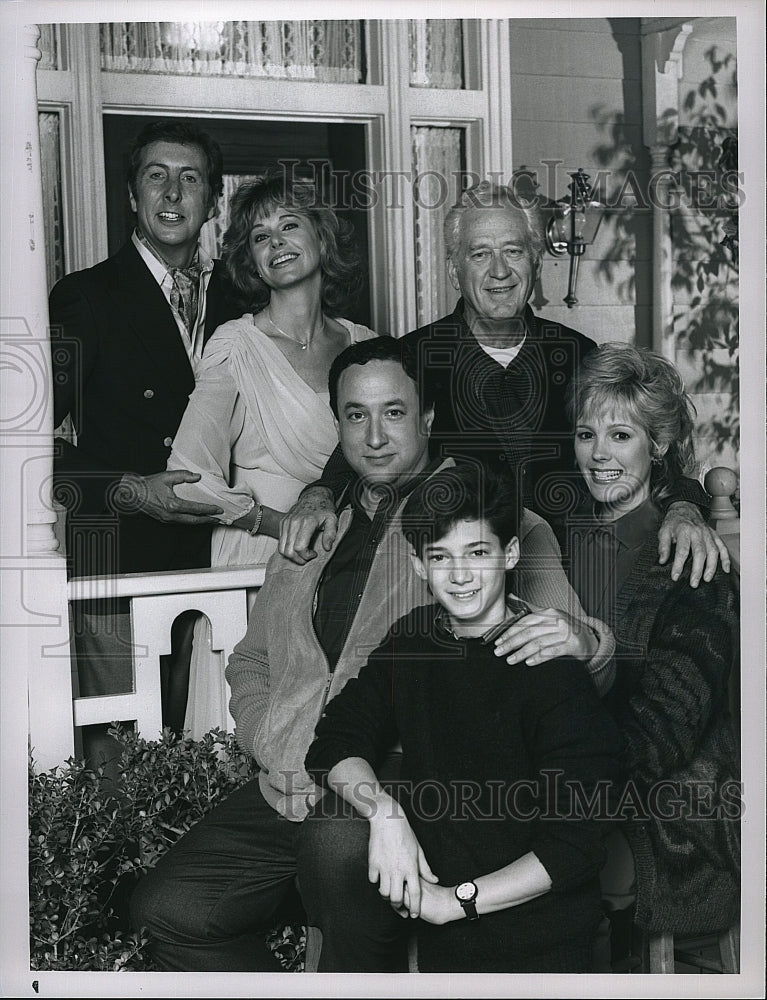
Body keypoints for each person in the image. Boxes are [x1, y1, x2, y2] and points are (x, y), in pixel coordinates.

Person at [129, 336, 615, 972]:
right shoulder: (315, 528)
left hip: (408, 779)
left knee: (336, 844)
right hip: (289, 777)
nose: (376, 435)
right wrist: (272, 740)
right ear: (338, 426)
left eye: (394, 412)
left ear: (428, 418)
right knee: (166, 913)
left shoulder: (476, 521)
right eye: (356, 415)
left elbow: (569, 643)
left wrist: (588, 642)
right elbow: (249, 661)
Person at [279, 180, 729, 597]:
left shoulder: (578, 355)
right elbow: (364, 445)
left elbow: (652, 450)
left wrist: (685, 507)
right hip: (451, 593)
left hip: (579, 586)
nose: (500, 271)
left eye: (513, 251)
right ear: (455, 272)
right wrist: (317, 496)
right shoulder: (412, 360)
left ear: (534, 261)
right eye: (479, 254)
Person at [303, 463, 625, 973]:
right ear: (417, 564)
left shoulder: (548, 662)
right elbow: (334, 738)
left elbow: (576, 844)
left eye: (477, 553)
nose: (459, 576)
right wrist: (382, 811)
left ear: (511, 554)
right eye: (440, 556)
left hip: (539, 936)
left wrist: (457, 901)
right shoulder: (413, 640)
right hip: (447, 940)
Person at [165, 172, 377, 736]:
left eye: (289, 225)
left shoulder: (364, 343)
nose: (277, 242)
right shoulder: (237, 345)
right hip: (255, 564)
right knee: (252, 732)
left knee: (335, 734)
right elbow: (188, 479)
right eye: (260, 236)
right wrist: (278, 521)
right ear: (250, 261)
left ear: (321, 237)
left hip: (343, 559)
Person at [49, 119, 241, 742]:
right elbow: (25, 445)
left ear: (212, 200)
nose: (171, 194)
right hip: (118, 552)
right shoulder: (86, 297)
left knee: (204, 741)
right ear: (131, 195)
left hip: (215, 554)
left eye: (190, 180)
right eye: (155, 177)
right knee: (121, 749)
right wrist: (131, 487)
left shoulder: (238, 303)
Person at [565, 343, 740, 945]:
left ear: (658, 445)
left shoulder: (695, 562)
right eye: (587, 435)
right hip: (568, 780)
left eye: (620, 436)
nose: (599, 455)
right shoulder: (554, 547)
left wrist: (559, 769)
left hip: (658, 804)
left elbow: (667, 727)